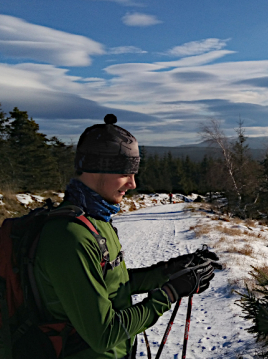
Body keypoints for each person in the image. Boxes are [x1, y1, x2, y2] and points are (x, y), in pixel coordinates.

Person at [31, 114, 219, 359]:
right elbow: (104, 335)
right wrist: (170, 293)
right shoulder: (69, 237)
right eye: (125, 173)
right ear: (96, 168)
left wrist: (170, 271)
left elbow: (113, 285)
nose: (132, 183)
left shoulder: (97, 221)